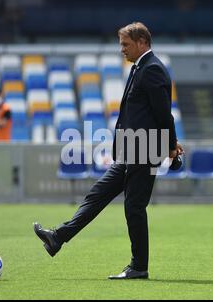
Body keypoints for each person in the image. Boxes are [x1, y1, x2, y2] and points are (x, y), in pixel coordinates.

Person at [33, 22, 183, 279]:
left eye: (125, 44)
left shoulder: (152, 70)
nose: (121, 49)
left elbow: (163, 115)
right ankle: (57, 237)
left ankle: (138, 267)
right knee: (98, 194)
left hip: (145, 150)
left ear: (142, 42)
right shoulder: (142, 68)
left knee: (134, 207)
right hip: (133, 150)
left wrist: (170, 146)